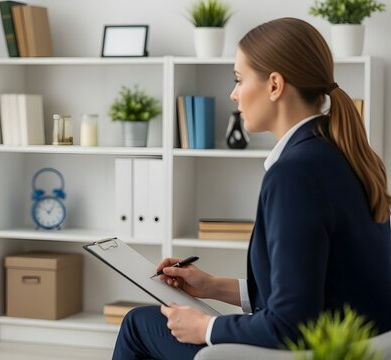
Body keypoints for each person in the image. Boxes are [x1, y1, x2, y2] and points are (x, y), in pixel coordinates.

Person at [113, 17, 391, 359]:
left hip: (307, 351)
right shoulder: (342, 155)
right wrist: (213, 286)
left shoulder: (294, 174)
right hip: (349, 346)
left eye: (239, 79)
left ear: (274, 85)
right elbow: (313, 289)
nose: (233, 94)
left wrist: (206, 327)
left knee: (139, 324)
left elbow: (290, 324)